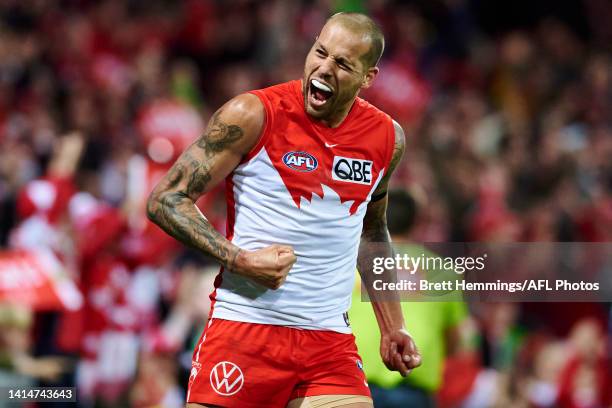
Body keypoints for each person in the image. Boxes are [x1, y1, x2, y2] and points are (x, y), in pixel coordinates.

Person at [147, 12, 421, 408]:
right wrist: (240, 260)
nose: (323, 68)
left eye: (342, 64)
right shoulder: (252, 114)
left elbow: (372, 229)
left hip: (328, 342)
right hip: (244, 331)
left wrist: (392, 325)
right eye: (320, 52)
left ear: (368, 78)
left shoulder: (386, 138)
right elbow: (166, 199)